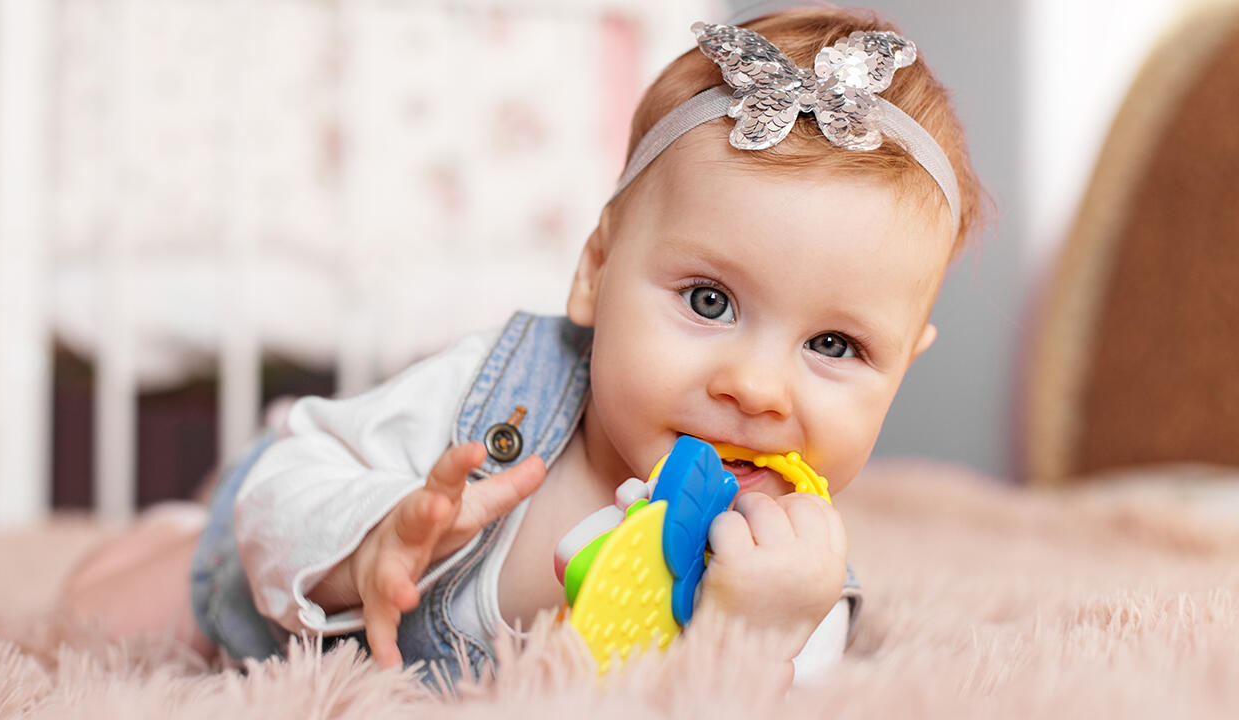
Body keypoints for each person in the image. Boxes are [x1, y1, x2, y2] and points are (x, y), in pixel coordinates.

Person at [62, 6, 985, 688]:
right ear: (594, 270)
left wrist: (747, 630)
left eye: (834, 343)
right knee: (92, 614)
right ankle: (187, 522)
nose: (755, 387)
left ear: (903, 365)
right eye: (709, 300)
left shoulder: (790, 578)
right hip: (285, 581)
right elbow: (298, 483)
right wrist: (363, 546)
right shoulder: (499, 390)